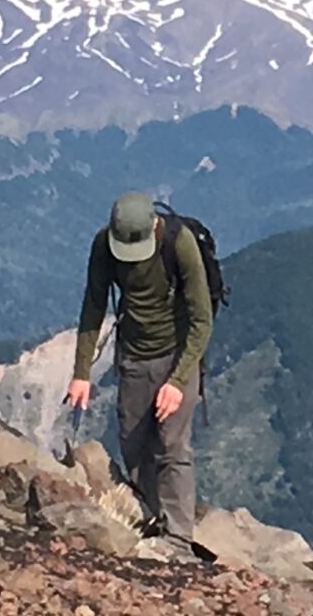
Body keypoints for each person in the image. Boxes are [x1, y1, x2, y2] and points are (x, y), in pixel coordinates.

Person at [66, 192, 213, 561]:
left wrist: (178, 383)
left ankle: (178, 541)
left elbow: (202, 320)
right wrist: (81, 372)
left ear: (153, 226)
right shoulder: (104, 245)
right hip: (133, 356)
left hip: (177, 353)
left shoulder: (179, 244)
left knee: (173, 448)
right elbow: (94, 304)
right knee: (134, 442)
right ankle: (152, 517)